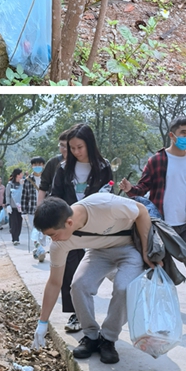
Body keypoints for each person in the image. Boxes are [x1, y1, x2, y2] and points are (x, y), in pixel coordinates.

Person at [30, 192, 154, 365]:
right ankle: (91, 336)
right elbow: (54, 282)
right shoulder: (59, 243)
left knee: (123, 287)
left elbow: (141, 211)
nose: (53, 240)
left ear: (69, 223)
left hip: (128, 248)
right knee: (79, 285)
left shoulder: (104, 205)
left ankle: (108, 339)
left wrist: (147, 251)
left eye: (53, 234)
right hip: (98, 252)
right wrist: (42, 323)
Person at [50, 124, 114, 333]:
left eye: (80, 147)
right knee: (71, 267)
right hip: (69, 225)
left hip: (95, 226)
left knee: (92, 270)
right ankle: (75, 313)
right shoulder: (63, 168)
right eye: (72, 148)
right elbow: (55, 194)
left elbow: (108, 196)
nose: (76, 152)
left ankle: (96, 316)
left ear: (90, 144)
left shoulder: (103, 168)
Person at [120, 117, 186, 244]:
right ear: (172, 135)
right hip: (161, 224)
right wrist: (130, 189)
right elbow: (142, 188)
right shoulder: (156, 160)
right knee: (160, 262)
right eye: (184, 133)